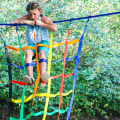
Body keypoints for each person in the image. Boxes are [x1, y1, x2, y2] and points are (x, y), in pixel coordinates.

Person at [11, 1, 57, 87]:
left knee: (42, 53)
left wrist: (42, 24)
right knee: (28, 53)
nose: (32, 17)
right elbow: (12, 22)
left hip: (43, 42)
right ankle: (30, 78)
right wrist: (25, 21)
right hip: (32, 43)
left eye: (34, 14)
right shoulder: (28, 18)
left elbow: (54, 29)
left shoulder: (43, 18)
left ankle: (43, 77)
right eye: (30, 14)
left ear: (39, 11)